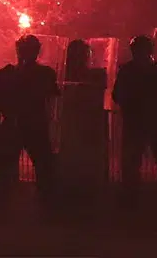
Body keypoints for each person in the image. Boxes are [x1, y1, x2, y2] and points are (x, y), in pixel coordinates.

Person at [0, 34, 59, 221]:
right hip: (34, 124)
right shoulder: (45, 74)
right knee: (44, 168)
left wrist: (11, 111)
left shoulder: (7, 73)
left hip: (13, 125)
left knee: (5, 169)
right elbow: (52, 98)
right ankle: (47, 208)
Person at [112, 34, 157, 200]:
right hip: (152, 120)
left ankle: (132, 197)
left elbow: (117, 96)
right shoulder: (156, 70)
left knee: (134, 160)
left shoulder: (128, 71)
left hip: (138, 121)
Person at [57, 39, 107, 212]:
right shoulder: (65, 74)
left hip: (83, 126)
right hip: (76, 125)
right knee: (76, 161)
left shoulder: (91, 75)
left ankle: (80, 198)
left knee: (82, 162)